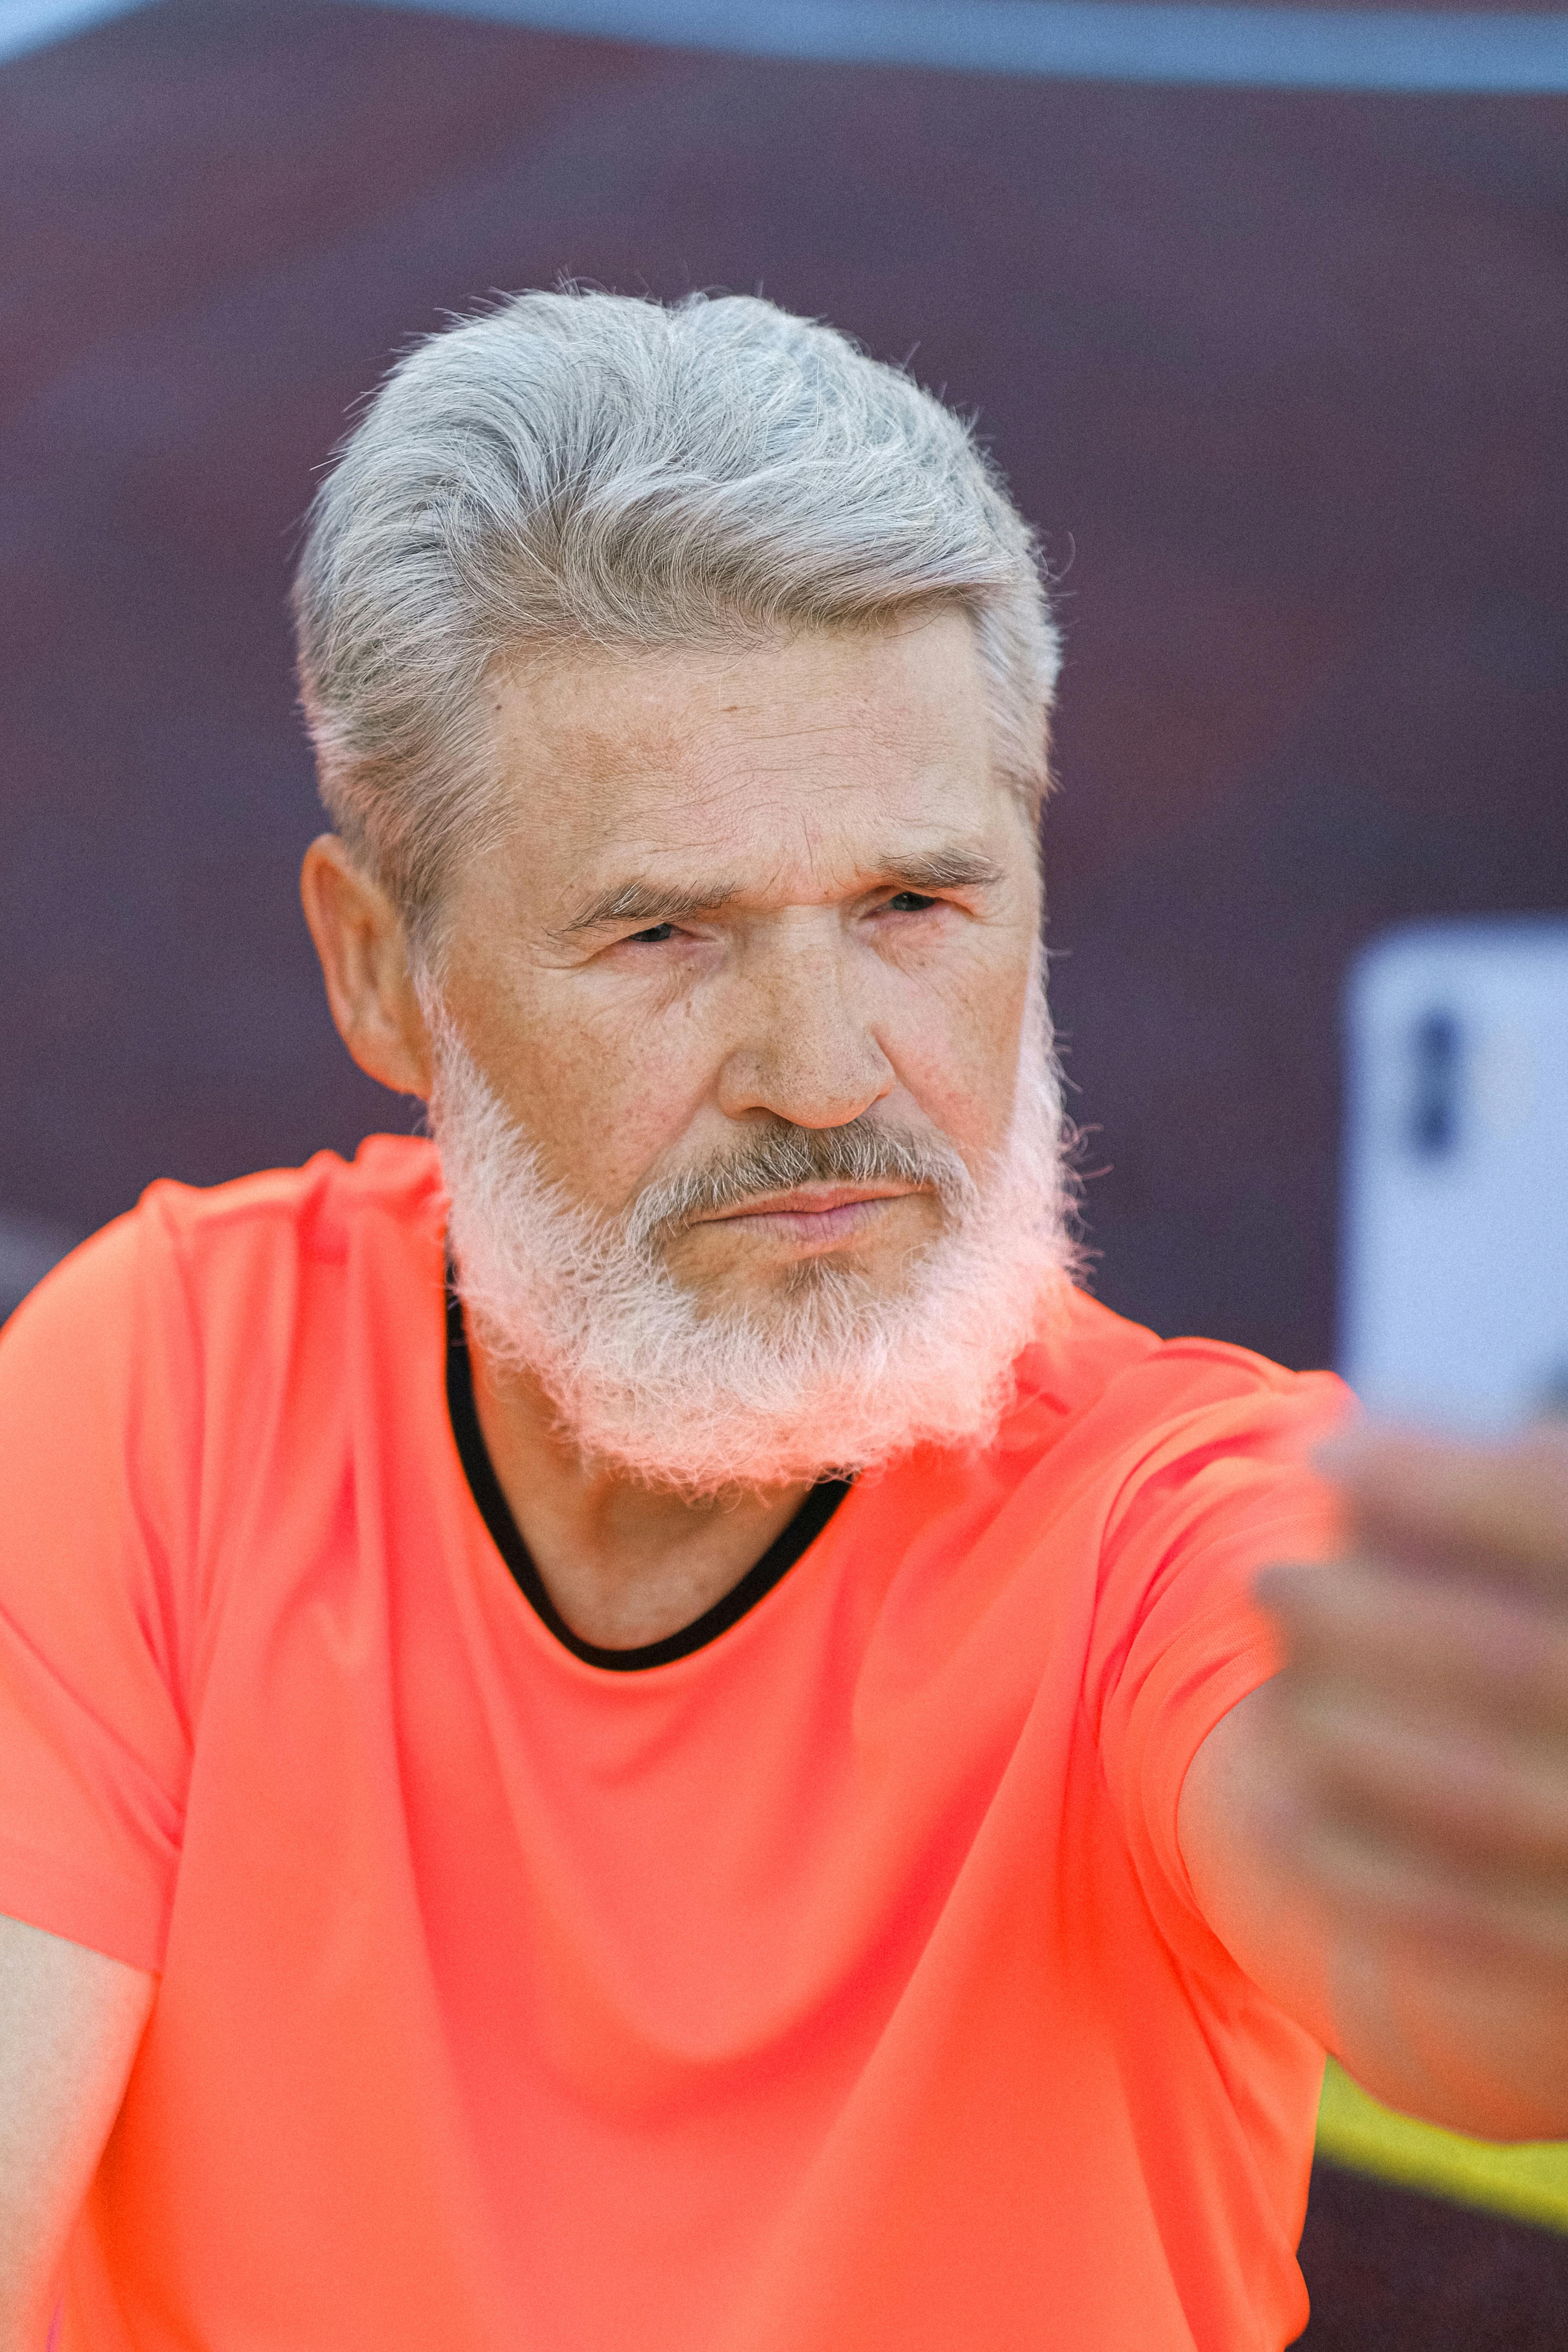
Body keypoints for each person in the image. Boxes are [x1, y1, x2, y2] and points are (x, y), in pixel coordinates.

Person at [1, 290, 1565, 2352]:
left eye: (918, 908)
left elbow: (1438, 1965)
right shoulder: (168, 1378)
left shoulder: (1183, 1521)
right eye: (665, 934)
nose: (828, 1073)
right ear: (381, 972)